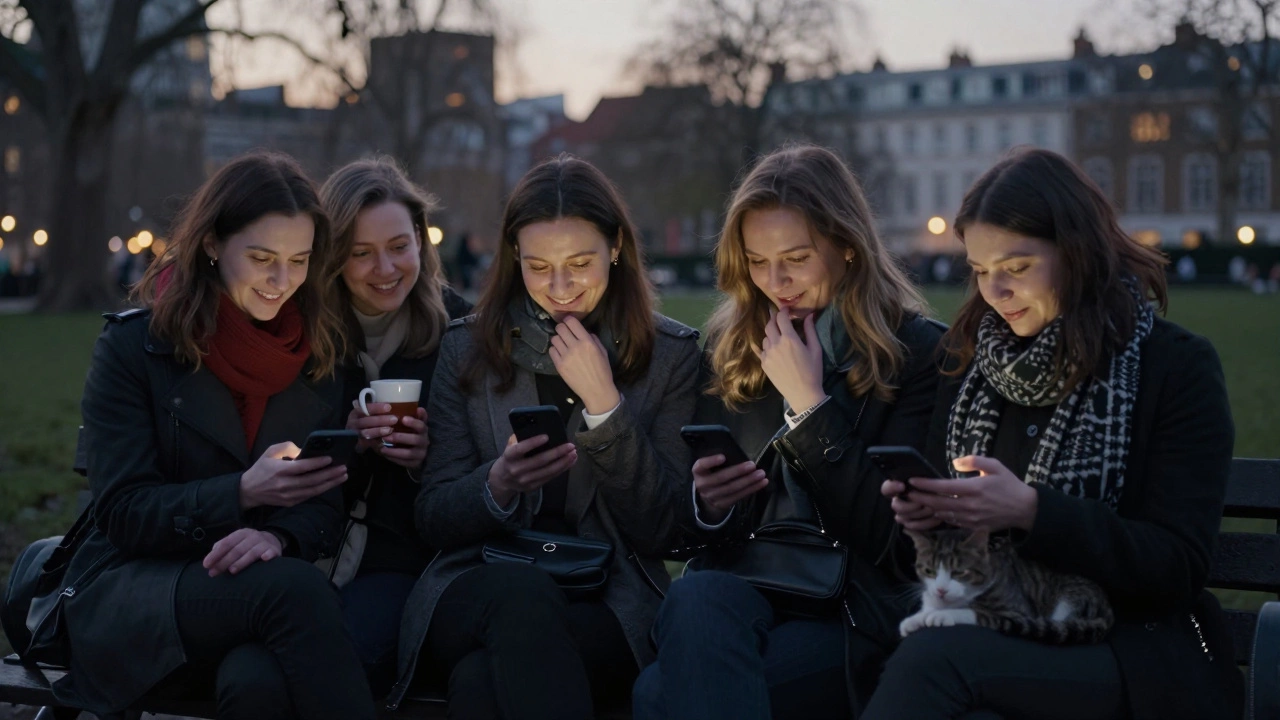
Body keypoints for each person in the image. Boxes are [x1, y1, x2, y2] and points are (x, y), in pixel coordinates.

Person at [863, 147, 1244, 720]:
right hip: (992, 634)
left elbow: (1176, 567)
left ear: (1077, 252)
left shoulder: (1173, 366)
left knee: (934, 659)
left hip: (1127, 648)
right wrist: (923, 521)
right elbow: (916, 566)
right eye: (980, 271)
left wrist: (1032, 513)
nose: (995, 292)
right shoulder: (966, 366)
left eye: (1016, 268)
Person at [54, 152, 376, 720]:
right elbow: (124, 512)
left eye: (300, 260)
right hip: (141, 589)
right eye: (261, 258)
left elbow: (324, 499)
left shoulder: (321, 351)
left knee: (257, 684)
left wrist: (279, 540)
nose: (283, 281)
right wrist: (244, 493)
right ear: (210, 244)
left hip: (258, 590)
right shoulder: (137, 349)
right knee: (295, 593)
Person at [632, 144, 944, 720]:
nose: (776, 281)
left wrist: (810, 406)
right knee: (695, 593)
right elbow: (685, 533)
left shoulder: (918, 355)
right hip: (745, 585)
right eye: (756, 261)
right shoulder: (733, 350)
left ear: (847, 245)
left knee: (657, 695)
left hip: (852, 608)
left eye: (796, 257)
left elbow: (897, 543)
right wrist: (710, 504)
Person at [387, 154, 702, 719]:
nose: (559, 288)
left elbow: (664, 531)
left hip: (606, 589)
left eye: (579, 263)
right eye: (537, 267)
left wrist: (607, 409)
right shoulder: (468, 348)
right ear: (514, 257)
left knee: (482, 682)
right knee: (520, 598)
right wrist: (498, 484)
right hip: (477, 579)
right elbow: (433, 514)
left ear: (616, 248)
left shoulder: (670, 355)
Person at [318, 156, 472, 695]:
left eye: (399, 247)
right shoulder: (306, 332)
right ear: (334, 258)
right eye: (361, 254)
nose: (385, 269)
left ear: (420, 244)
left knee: (341, 662)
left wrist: (428, 456)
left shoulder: (458, 328)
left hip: (407, 559)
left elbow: (479, 467)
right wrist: (348, 442)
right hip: (310, 550)